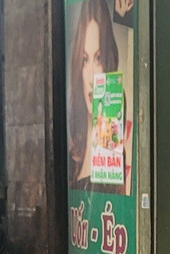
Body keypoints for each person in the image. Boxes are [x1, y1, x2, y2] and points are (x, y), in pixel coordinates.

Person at [67, 0, 121, 191]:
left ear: (108, 62)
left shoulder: (118, 152)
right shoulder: (72, 159)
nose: (91, 77)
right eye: (85, 60)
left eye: (98, 59)